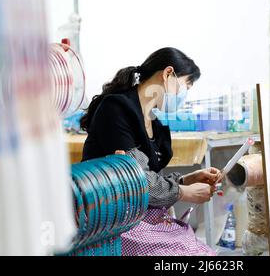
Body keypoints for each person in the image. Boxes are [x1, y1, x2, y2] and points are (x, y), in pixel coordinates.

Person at [80, 47, 222, 255]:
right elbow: (136, 180)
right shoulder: (117, 109)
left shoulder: (155, 124)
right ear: (167, 74)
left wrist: (186, 181)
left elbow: (148, 176)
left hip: (138, 215)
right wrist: (182, 192)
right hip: (111, 218)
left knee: (197, 249)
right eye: (186, 86)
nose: (184, 96)